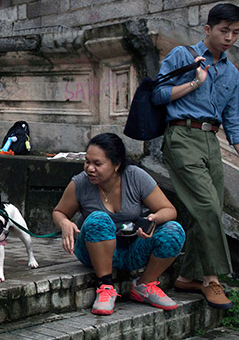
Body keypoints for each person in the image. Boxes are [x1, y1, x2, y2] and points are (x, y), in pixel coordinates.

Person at [151, 3, 239, 310]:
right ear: (208, 29)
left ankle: (187, 277)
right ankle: (212, 279)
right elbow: (158, 95)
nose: (229, 38)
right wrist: (195, 81)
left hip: (211, 141)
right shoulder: (182, 56)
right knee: (207, 205)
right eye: (224, 31)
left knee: (208, 210)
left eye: (235, 33)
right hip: (182, 136)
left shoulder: (231, 71)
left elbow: (234, 120)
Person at [52, 133, 185, 315]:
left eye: (97, 164)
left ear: (116, 165)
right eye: (87, 162)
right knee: (98, 219)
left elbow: (169, 210)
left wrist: (151, 221)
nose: (89, 168)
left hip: (131, 248)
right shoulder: (80, 183)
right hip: (92, 251)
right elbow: (59, 212)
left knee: (174, 231)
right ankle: (105, 286)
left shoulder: (136, 177)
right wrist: (64, 222)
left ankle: (144, 285)